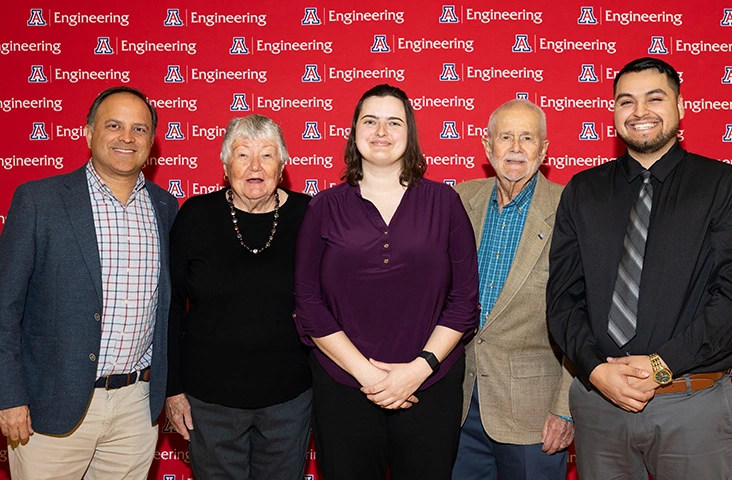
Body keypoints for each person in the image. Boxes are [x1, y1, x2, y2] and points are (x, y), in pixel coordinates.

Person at [547, 57, 732, 479]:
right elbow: (561, 301)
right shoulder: (582, 191)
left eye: (654, 98)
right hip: (600, 405)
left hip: (690, 405)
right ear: (613, 113)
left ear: (681, 107)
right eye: (626, 101)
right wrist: (595, 370)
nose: (639, 112)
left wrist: (661, 365)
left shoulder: (723, 185)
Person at [293, 84, 479, 480]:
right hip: (344, 386)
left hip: (430, 386)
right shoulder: (324, 206)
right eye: (370, 121)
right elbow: (307, 302)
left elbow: (464, 300)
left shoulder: (444, 203)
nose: (381, 131)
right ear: (354, 132)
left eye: (394, 122)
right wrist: (370, 376)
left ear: (409, 133)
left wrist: (418, 369)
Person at [0, 86, 178, 478]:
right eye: (114, 125)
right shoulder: (38, 201)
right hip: (49, 407)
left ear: (152, 141)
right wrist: (8, 395)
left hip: (136, 406)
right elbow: (4, 306)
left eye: (139, 129)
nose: (127, 138)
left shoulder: (166, 207)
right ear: (88, 133)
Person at [164, 114, 312, 479]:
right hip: (209, 402)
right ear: (225, 163)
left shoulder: (309, 214)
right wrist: (173, 389)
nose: (255, 166)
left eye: (267, 155)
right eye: (243, 154)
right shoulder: (195, 216)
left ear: (284, 163)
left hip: (289, 400)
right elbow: (171, 308)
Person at [452, 99, 574, 480]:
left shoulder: (570, 207)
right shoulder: (458, 200)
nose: (517, 148)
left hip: (535, 415)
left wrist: (566, 406)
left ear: (544, 149)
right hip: (457, 405)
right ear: (488, 147)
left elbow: (586, 314)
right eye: (506, 137)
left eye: (527, 138)